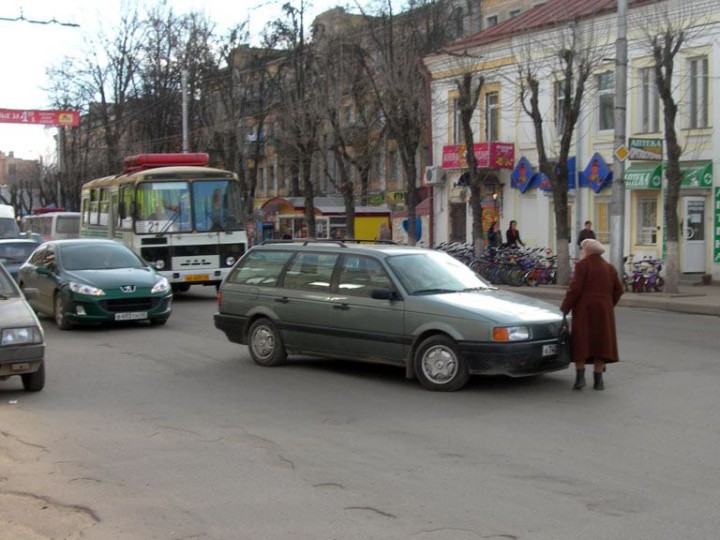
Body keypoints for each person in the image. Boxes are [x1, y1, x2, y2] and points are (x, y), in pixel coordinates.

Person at [560, 238, 624, 391]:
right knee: (601, 343)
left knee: (581, 342)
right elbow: (619, 290)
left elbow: (574, 289)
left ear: (587, 252)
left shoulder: (583, 265)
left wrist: (565, 308)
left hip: (584, 310)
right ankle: (598, 381)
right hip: (604, 311)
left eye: (583, 250)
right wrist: (608, 304)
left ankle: (580, 379)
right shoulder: (610, 268)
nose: (582, 253)